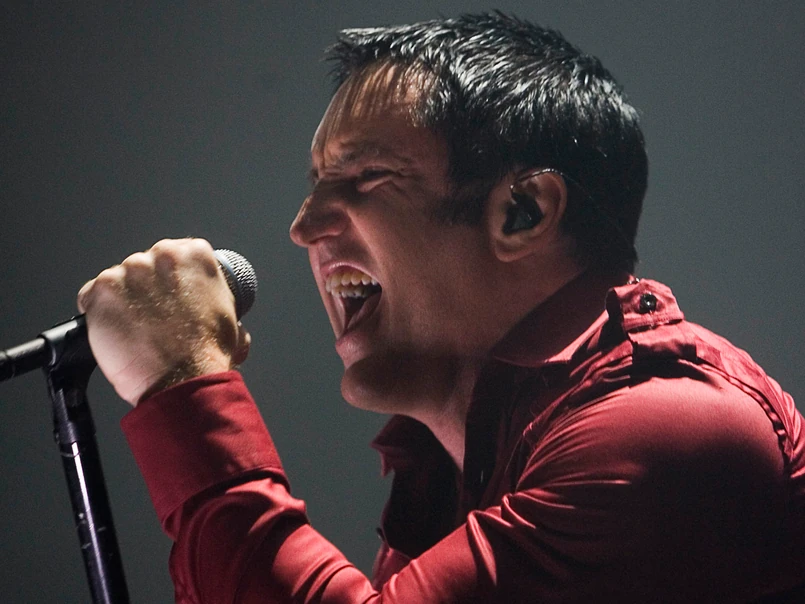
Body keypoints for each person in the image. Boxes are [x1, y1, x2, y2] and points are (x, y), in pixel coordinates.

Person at [77, 13, 805, 603]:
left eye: (366, 176)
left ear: (523, 212)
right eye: (316, 183)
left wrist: (184, 387)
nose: (304, 226)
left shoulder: (666, 428)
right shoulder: (456, 461)